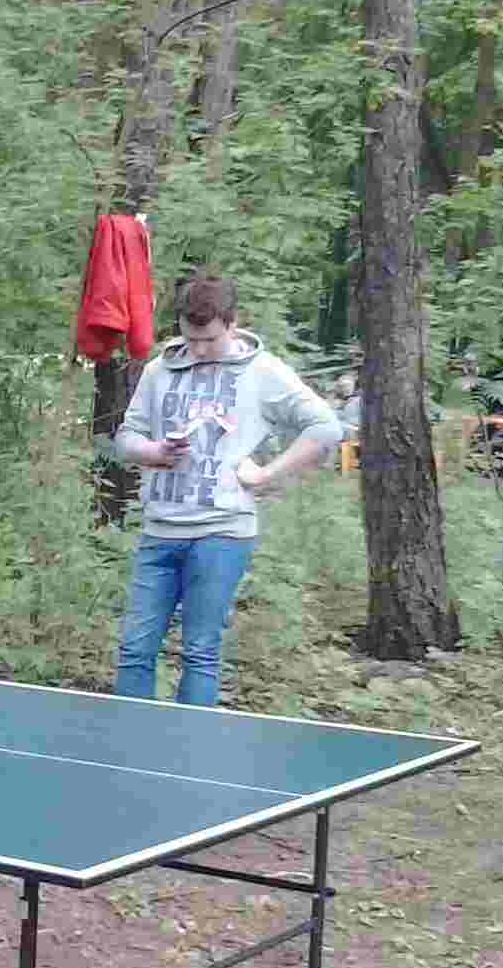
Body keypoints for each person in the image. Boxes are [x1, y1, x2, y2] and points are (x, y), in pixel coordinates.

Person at [112, 274, 340, 706]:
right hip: (160, 530)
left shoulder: (263, 371)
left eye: (210, 340)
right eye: (190, 338)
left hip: (222, 534)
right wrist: (154, 451)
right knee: (134, 650)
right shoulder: (159, 370)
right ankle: (130, 741)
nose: (199, 349)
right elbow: (126, 438)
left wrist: (267, 475)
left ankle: (191, 745)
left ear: (232, 324)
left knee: (199, 651)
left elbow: (326, 427)